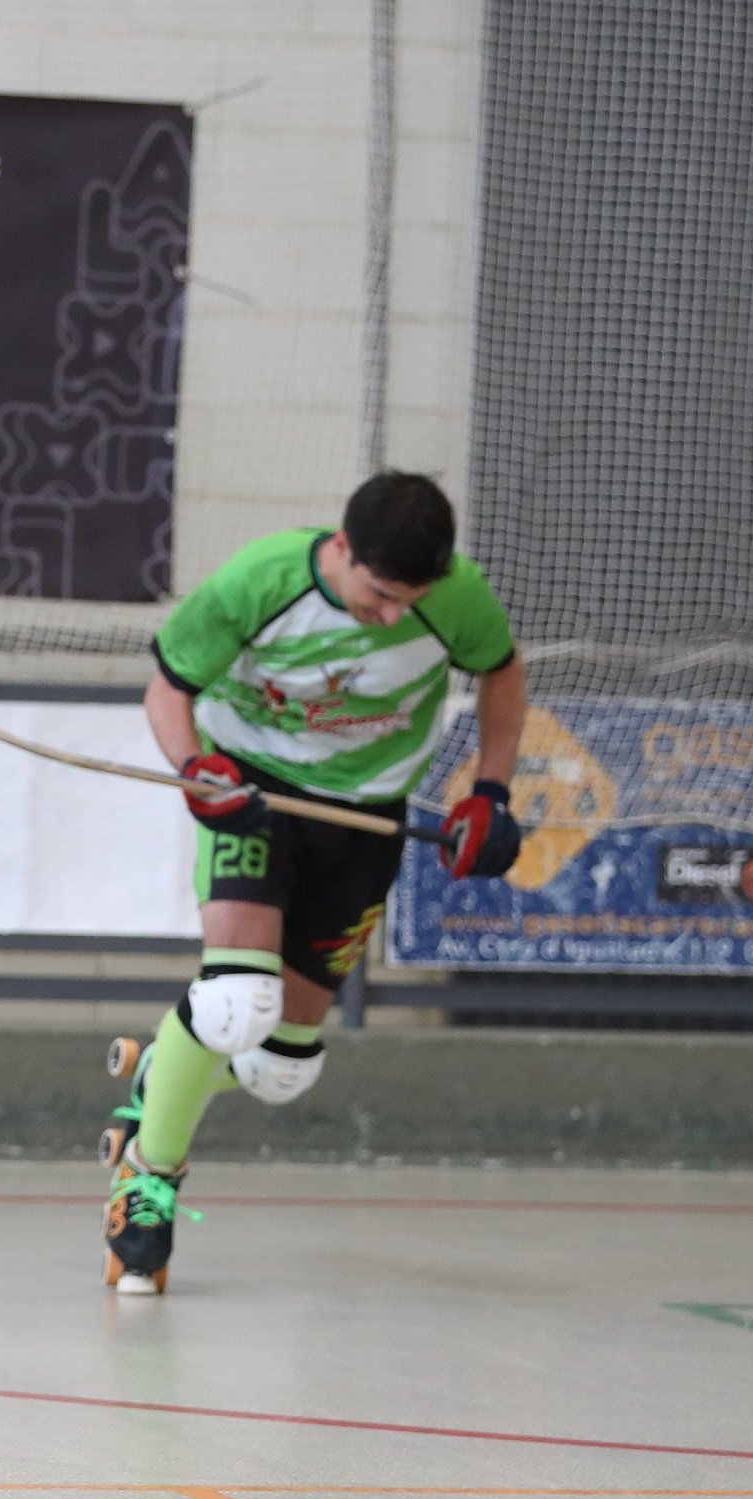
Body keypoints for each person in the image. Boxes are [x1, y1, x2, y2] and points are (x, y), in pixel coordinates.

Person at [101, 471, 527, 1292]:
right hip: (255, 794)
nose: (396, 615)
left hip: (367, 813)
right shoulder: (260, 581)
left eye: (416, 598)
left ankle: (168, 1069)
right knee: (235, 1004)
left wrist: (491, 790)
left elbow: (502, 674)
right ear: (341, 549)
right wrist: (196, 770)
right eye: (381, 593)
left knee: (279, 1069)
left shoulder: (459, 595)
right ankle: (149, 1180)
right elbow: (168, 690)